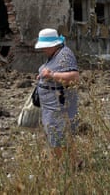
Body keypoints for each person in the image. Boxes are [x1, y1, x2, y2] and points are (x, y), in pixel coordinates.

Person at [34, 28, 80, 167]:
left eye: (45, 47)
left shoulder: (65, 54)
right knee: (58, 134)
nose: (43, 50)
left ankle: (62, 166)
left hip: (59, 104)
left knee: (58, 135)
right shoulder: (54, 55)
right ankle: (72, 163)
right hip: (51, 104)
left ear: (54, 44)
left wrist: (51, 75)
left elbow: (74, 77)